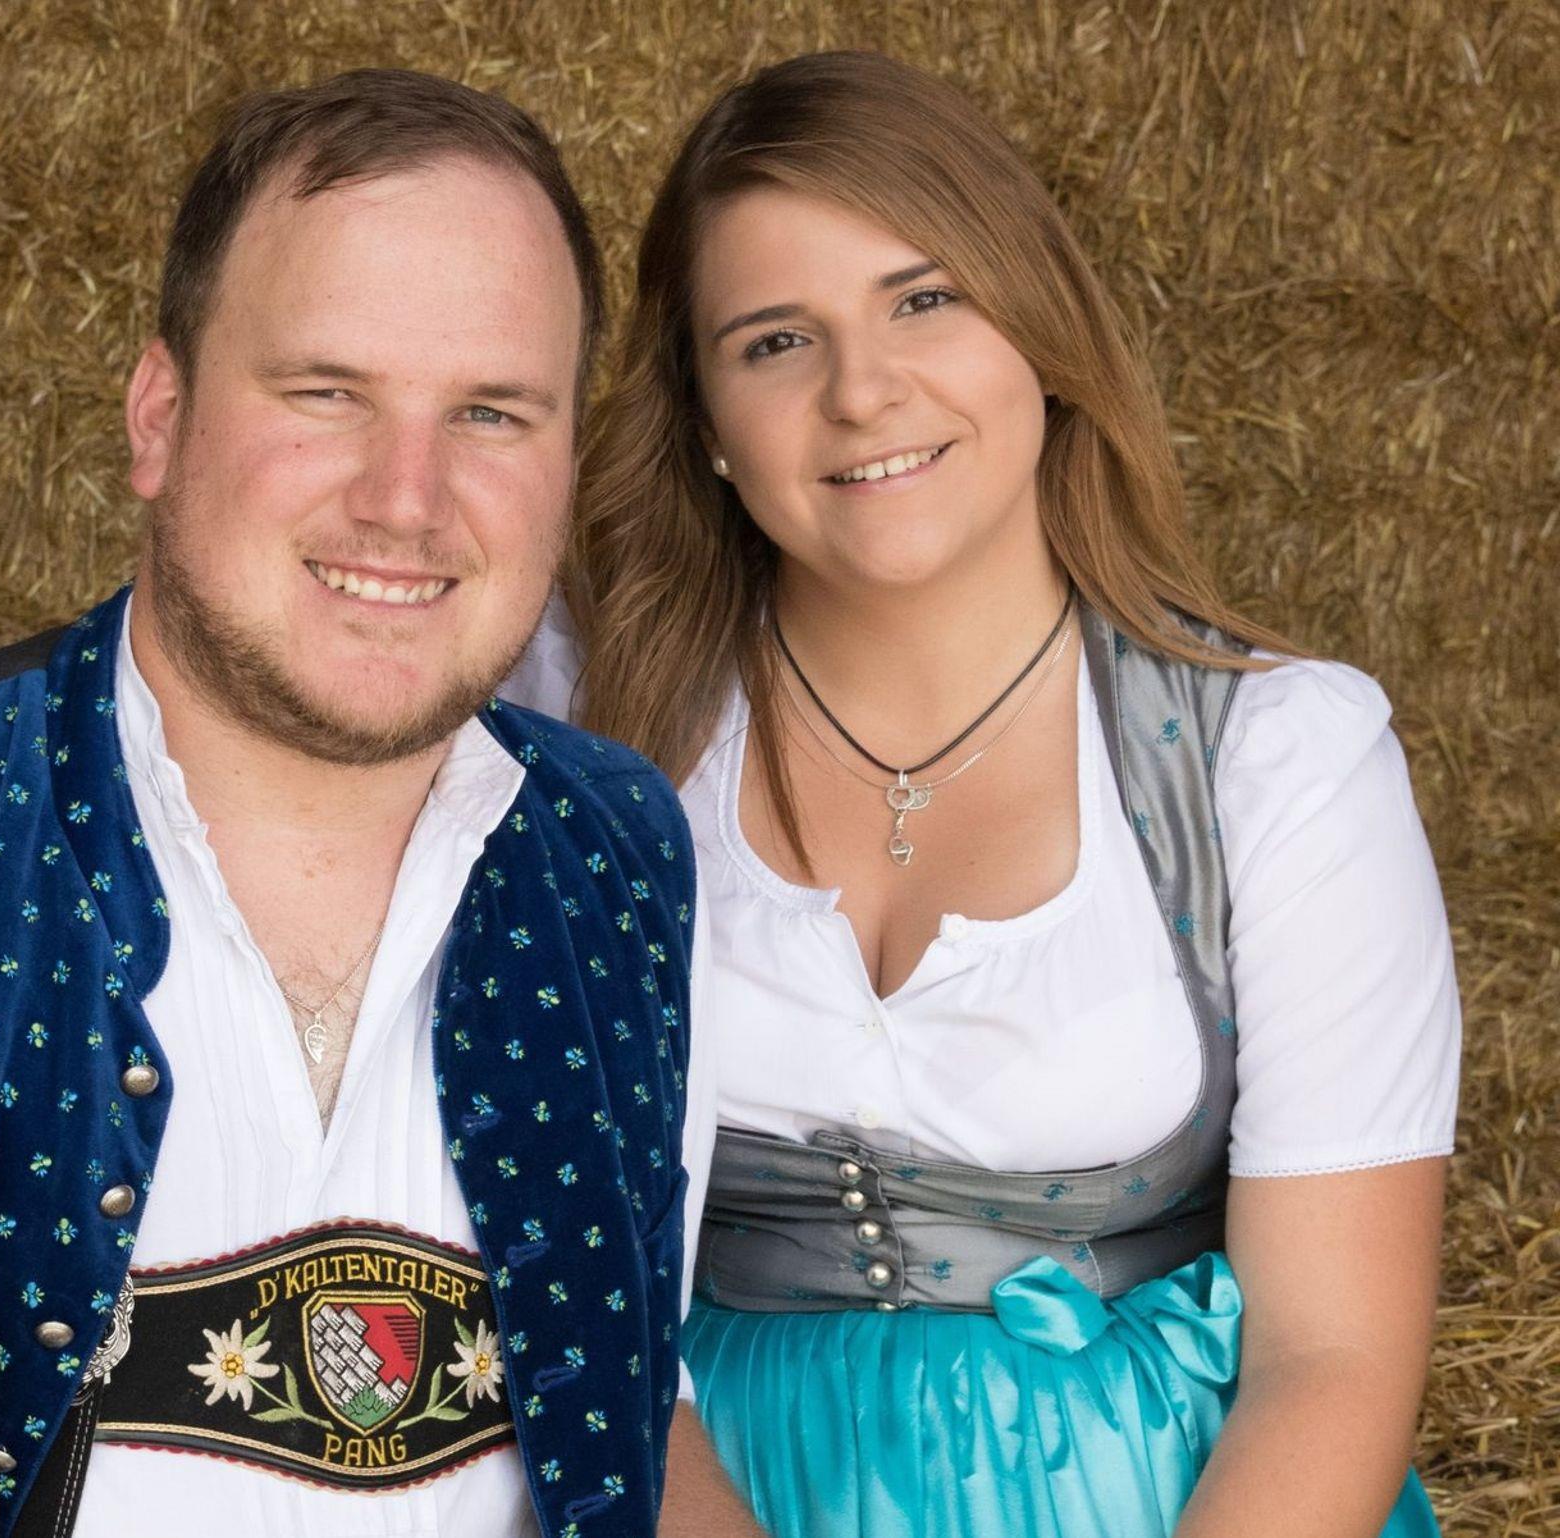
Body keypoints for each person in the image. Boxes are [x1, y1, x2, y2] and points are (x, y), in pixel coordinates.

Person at [0, 68, 748, 1538]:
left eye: (491, 412)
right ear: (158, 415)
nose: (406, 498)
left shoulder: (618, 864)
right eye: (326, 393)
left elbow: (622, 1400)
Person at [506, 50, 1460, 1538]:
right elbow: (548, 1277)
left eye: (926, 299)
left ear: (1043, 331)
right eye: (776, 341)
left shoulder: (1276, 759)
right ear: (703, 419)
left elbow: (1329, 1361)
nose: (862, 390)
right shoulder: (600, 732)